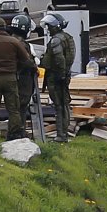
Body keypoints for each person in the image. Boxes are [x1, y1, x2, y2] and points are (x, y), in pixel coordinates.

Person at [40, 13, 75, 142]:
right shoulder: (67, 38)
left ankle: (61, 135)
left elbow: (59, 58)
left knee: (59, 105)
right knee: (63, 104)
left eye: (49, 26)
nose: (48, 29)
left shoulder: (56, 40)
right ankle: (63, 133)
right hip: (63, 75)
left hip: (56, 76)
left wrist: (60, 74)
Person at [8, 14, 38, 124]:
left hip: (12, 77)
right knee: (21, 107)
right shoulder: (22, 44)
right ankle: (18, 132)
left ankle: (15, 131)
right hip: (23, 79)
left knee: (14, 107)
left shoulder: (10, 41)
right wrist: (35, 66)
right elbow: (27, 62)